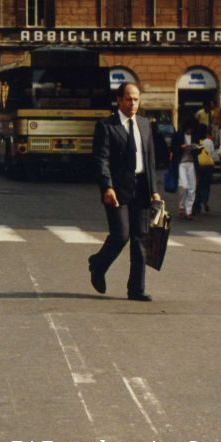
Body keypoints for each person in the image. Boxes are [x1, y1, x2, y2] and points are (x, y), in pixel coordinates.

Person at [88, 82, 161, 302]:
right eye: (129, 99)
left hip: (142, 188)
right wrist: (106, 186)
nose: (133, 104)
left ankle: (136, 289)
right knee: (121, 235)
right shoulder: (107, 126)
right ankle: (98, 265)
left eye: (136, 99)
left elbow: (150, 160)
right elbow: (101, 159)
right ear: (119, 100)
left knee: (141, 239)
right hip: (117, 190)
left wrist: (154, 191)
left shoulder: (145, 124)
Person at [175, 120, 198, 220]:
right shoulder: (179, 136)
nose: (190, 131)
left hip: (191, 163)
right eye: (188, 129)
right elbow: (173, 149)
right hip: (181, 163)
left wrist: (196, 148)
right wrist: (181, 148)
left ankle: (188, 211)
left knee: (192, 187)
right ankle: (181, 207)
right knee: (183, 185)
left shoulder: (194, 137)